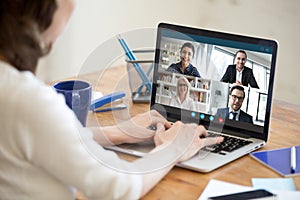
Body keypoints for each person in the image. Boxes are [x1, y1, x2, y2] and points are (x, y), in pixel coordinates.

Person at [0, 1, 223, 199]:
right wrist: (173, 148)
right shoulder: (25, 100)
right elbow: (118, 188)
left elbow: (38, 135)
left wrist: (118, 132)